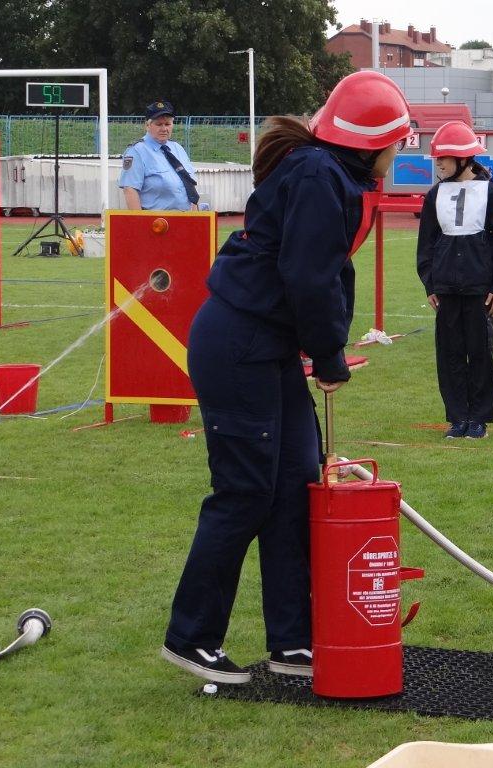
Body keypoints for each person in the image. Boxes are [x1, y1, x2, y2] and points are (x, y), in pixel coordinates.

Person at [160, 71, 411, 684]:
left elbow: (318, 273)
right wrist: (329, 359)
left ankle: (292, 642)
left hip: (264, 344)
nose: (402, 151)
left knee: (296, 485)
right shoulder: (321, 177)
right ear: (371, 140)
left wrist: (320, 349)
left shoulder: (328, 173)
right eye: (399, 140)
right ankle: (191, 637)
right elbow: (308, 277)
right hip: (240, 343)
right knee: (244, 492)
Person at [417, 120, 493, 440]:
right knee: (450, 355)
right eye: (437, 158)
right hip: (445, 289)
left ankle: (480, 419)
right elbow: (426, 243)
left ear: (463, 159)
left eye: (443, 158)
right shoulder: (433, 195)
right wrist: (430, 283)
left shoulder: (491, 193)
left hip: (479, 289)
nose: (438, 163)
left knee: (480, 352)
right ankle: (457, 418)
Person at [119, 100, 200, 211]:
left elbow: (190, 186)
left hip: (185, 219)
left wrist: (194, 218)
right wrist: (139, 223)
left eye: (167, 124)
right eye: (159, 124)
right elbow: (130, 190)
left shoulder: (178, 149)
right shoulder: (137, 151)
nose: (164, 129)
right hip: (156, 223)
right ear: (147, 125)